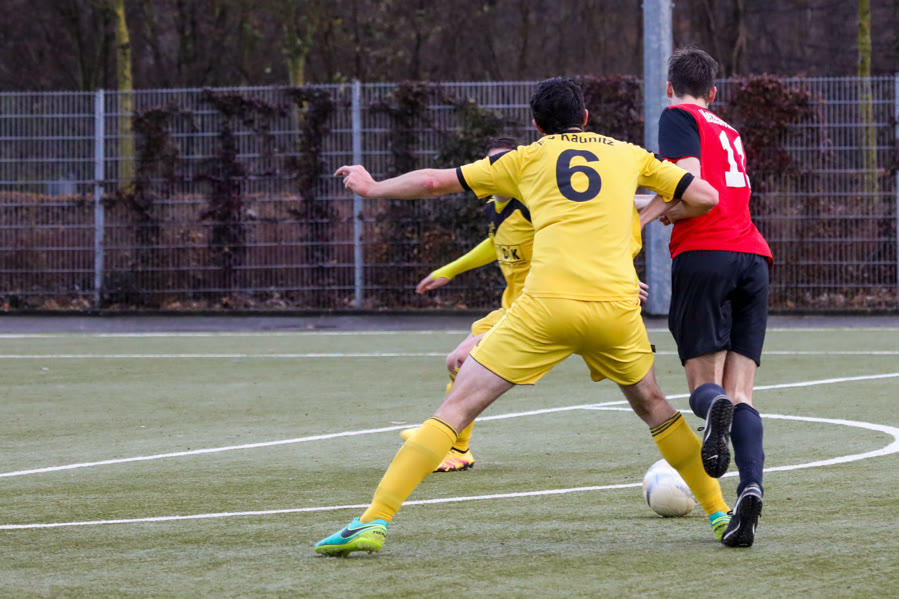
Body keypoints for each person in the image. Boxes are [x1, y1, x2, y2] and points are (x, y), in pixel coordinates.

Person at [315, 77, 731, 556]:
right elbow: (704, 197)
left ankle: (374, 520)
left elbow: (433, 181)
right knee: (656, 407)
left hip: (546, 308)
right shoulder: (628, 154)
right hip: (616, 306)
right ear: (586, 118)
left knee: (454, 410)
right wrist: (645, 216)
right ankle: (721, 514)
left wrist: (372, 187)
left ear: (536, 125)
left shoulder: (524, 159)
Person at [406, 136, 650, 472]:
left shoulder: (535, 203)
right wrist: (448, 271)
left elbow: (593, 222)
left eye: (507, 161)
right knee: (458, 362)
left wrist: (619, 277)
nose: (502, 168)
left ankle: (454, 445)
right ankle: (449, 438)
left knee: (461, 359)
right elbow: (496, 243)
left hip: (544, 308)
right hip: (512, 307)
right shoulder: (494, 206)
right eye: (494, 163)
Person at [640, 48, 773, 547]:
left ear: (669, 88)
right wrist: (666, 207)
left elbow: (690, 183)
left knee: (705, 386)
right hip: (753, 257)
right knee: (743, 395)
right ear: (713, 92)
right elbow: (710, 192)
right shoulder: (729, 130)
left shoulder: (677, 116)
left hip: (705, 256)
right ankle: (751, 488)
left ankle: (711, 406)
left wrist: (644, 219)